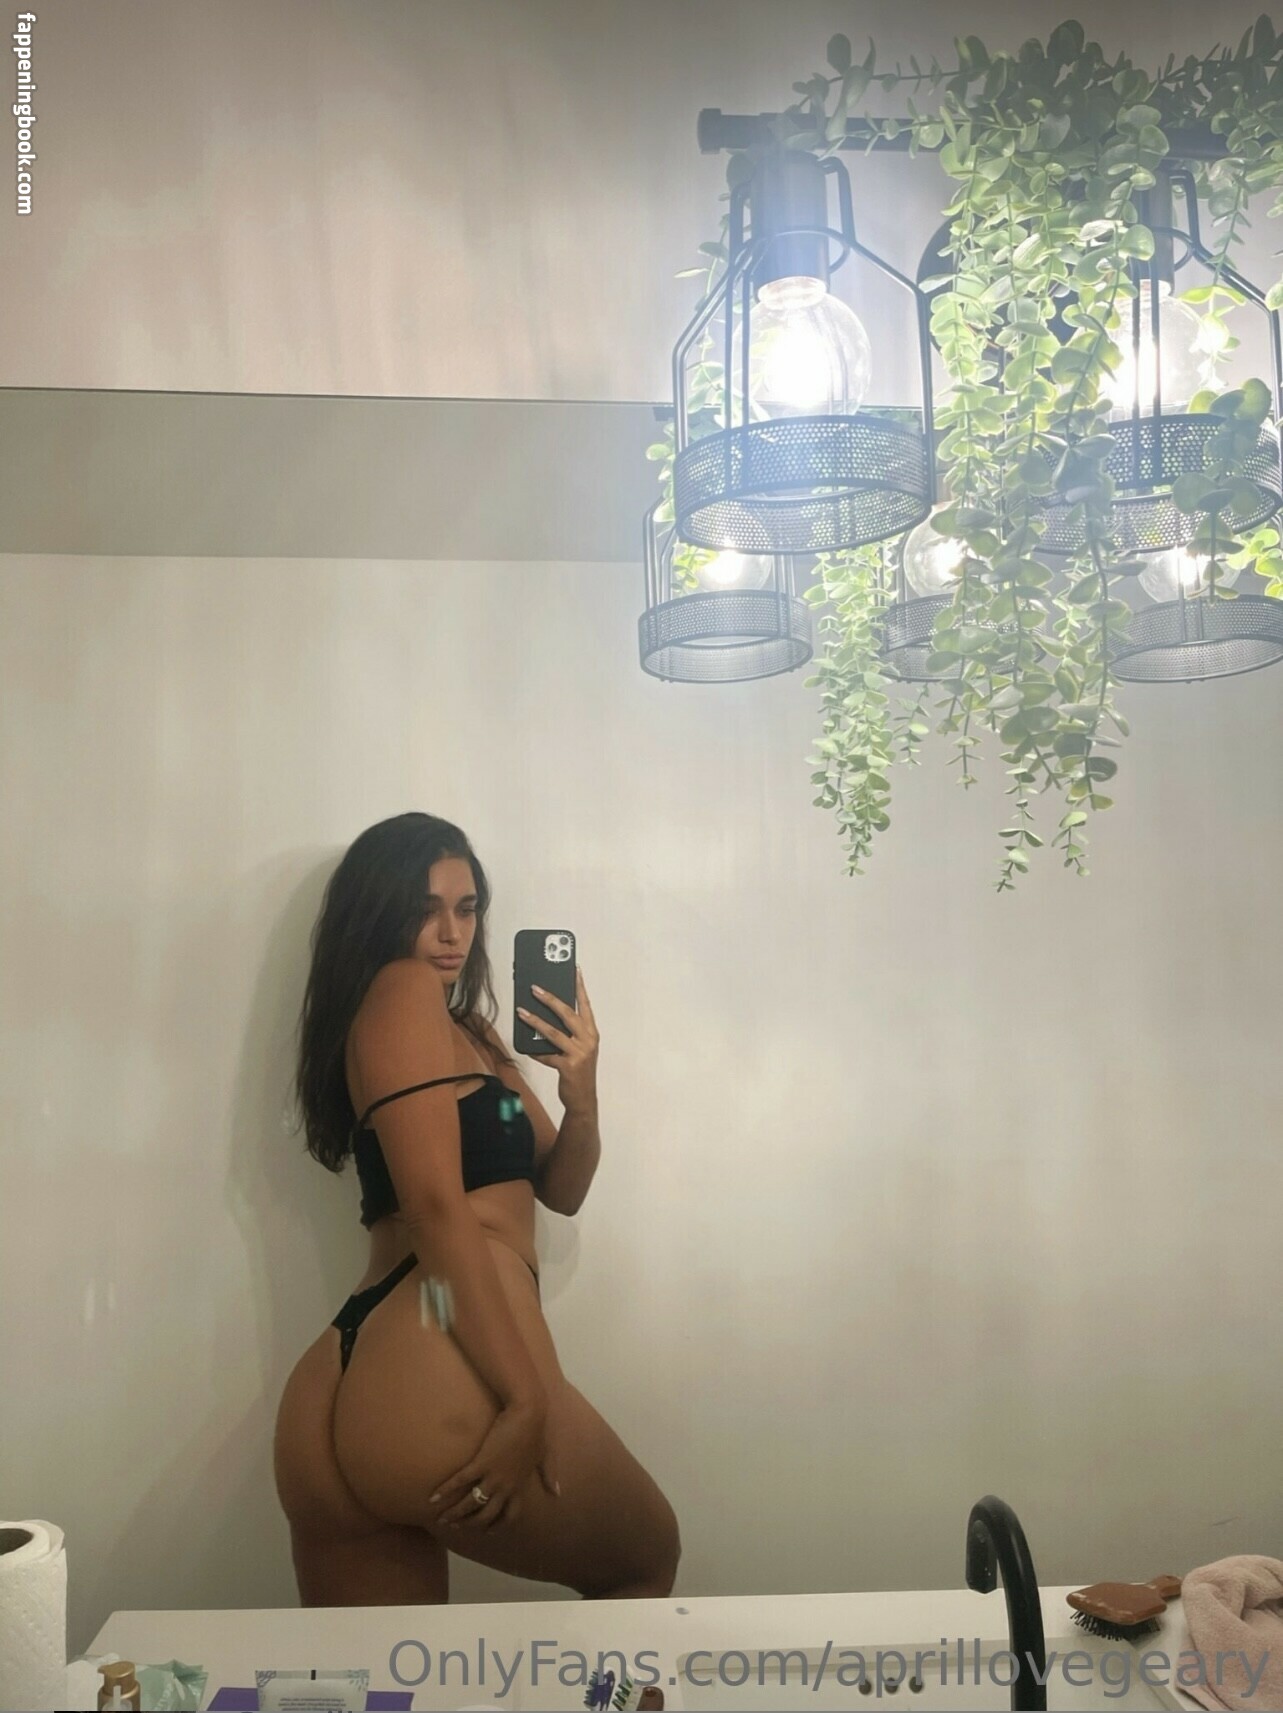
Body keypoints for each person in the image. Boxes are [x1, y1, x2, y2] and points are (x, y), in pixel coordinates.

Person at [273, 812, 680, 1604]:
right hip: (435, 1364)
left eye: (466, 908)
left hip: (352, 1375)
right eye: (424, 909)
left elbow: (560, 1188)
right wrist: (527, 1396)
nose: (450, 931)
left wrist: (582, 1094)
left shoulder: (472, 1034)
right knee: (645, 1555)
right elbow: (433, 1206)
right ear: (377, 915)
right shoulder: (401, 991)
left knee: (389, 1670)